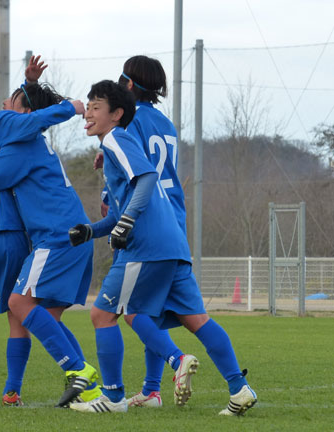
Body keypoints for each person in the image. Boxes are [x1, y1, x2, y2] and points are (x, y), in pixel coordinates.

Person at [68, 80, 256, 416]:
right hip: (173, 242)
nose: (89, 113)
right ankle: (240, 389)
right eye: (89, 105)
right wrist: (91, 231)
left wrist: (126, 224)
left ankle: (118, 395)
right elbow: (123, 208)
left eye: (97, 106)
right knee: (195, 318)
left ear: (117, 114)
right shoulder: (120, 143)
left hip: (147, 245)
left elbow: (146, 178)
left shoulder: (115, 138)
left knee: (105, 313)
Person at [0, 73, 99, 408]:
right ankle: (90, 390)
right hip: (63, 234)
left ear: (24, 117)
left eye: (11, 104)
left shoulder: (21, 146)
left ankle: (77, 370)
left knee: (16, 303)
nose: (3, 107)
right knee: (44, 317)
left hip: (56, 236)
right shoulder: (24, 140)